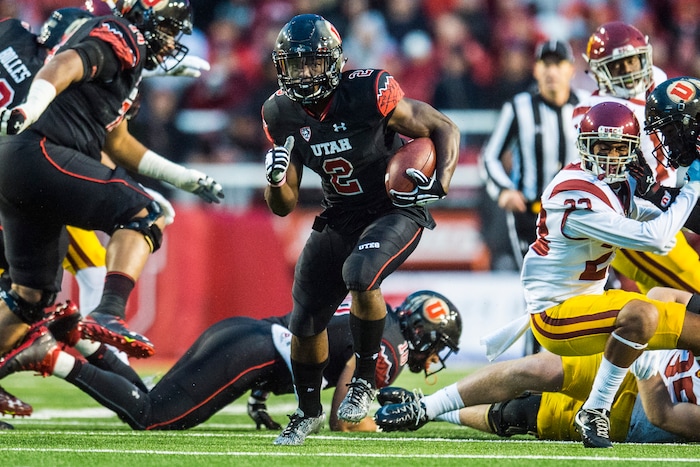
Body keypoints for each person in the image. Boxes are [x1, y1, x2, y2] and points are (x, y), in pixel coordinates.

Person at [378, 101, 700, 449]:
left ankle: (425, 407)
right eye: (601, 147)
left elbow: (655, 220)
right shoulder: (577, 192)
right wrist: (693, 186)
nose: (609, 157)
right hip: (556, 311)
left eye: (618, 148)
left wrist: (660, 194)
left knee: (545, 368)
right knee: (641, 314)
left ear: (631, 151)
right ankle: (595, 411)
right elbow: (657, 238)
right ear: (584, 147)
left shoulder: (616, 187)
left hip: (589, 302)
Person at [261, 14, 460, 445]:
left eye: (313, 63)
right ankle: (307, 411)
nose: (305, 73)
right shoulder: (279, 112)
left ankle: (365, 381)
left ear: (333, 62)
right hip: (340, 214)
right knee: (305, 319)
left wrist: (439, 184)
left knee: (361, 273)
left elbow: (443, 126)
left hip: (394, 207)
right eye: (295, 65)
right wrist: (275, 179)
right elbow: (284, 206)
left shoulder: (368, 91)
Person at [0, 0, 224, 365]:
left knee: (30, 298)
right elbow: (63, 64)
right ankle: (108, 312)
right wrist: (31, 107)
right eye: (166, 26)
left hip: (17, 162)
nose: (171, 39)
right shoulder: (123, 33)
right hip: (41, 152)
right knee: (144, 213)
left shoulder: (120, 68)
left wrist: (183, 177)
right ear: (142, 17)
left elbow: (117, 143)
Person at [0, 291, 462, 433]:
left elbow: (317, 346)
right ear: (425, 332)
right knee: (152, 417)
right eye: (438, 344)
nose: (435, 355)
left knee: (150, 398)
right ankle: (53, 356)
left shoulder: (380, 320)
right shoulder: (390, 345)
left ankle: (79, 340)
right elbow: (345, 413)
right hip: (254, 351)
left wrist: (266, 390)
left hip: (245, 333)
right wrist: (382, 422)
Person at [573, 21, 700, 296]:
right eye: (617, 66)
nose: (629, 71)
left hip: (670, 207)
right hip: (635, 221)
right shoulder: (594, 115)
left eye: (633, 61)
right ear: (598, 70)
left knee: (667, 307)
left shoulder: (656, 76)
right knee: (694, 287)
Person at [481, 39, 585, 355]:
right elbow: (490, 157)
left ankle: (577, 362)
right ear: (536, 69)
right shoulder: (519, 108)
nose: (552, 71)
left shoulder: (585, 110)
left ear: (570, 69)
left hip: (577, 217)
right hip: (531, 214)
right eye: (545, 64)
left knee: (583, 288)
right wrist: (503, 190)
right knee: (539, 293)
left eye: (558, 64)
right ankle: (533, 368)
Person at [375, 344, 700, 443]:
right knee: (537, 371)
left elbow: (664, 415)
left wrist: (647, 365)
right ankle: (428, 407)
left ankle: (432, 409)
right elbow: (661, 295)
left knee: (519, 414)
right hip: (633, 361)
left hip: (638, 410)